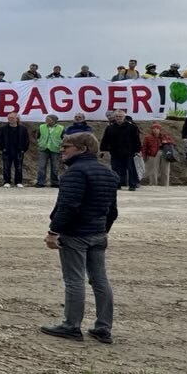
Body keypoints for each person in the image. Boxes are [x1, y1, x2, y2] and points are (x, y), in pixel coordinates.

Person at [40, 131, 119, 344]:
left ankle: (71, 325)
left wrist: (53, 232)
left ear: (82, 149)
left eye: (67, 146)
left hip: (76, 234)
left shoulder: (74, 173)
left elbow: (68, 206)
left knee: (74, 280)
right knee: (100, 280)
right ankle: (103, 327)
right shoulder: (109, 173)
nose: (61, 150)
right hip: (98, 233)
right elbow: (112, 210)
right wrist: (103, 229)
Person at [101, 111, 142, 191]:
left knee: (131, 169)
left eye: (120, 116)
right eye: (117, 117)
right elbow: (105, 139)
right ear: (115, 117)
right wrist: (103, 149)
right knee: (116, 169)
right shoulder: (110, 128)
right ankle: (117, 184)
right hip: (115, 152)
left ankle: (132, 185)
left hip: (129, 152)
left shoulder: (131, 127)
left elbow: (136, 139)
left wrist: (137, 150)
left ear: (124, 117)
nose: (119, 118)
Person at [0, 115, 30, 187]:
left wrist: (24, 149)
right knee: (6, 167)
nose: (10, 119)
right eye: (9, 118)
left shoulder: (23, 129)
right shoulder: (3, 128)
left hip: (19, 151)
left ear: (17, 119)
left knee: (19, 167)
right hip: (7, 151)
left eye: (12, 118)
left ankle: (18, 182)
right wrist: (2, 148)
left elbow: (26, 140)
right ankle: (7, 181)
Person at [141, 122, 176, 187]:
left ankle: (165, 184)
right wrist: (144, 156)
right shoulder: (148, 137)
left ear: (160, 129)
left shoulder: (165, 136)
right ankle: (153, 184)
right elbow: (144, 147)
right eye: (153, 128)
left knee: (165, 170)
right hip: (152, 154)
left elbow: (173, 143)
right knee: (153, 170)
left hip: (165, 153)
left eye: (157, 128)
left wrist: (166, 141)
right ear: (151, 129)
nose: (155, 129)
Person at [34, 115, 64, 187]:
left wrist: (60, 146)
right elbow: (38, 136)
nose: (46, 120)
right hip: (44, 149)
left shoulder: (61, 128)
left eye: (48, 119)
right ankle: (40, 182)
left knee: (55, 167)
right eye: (46, 119)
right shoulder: (41, 127)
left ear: (53, 120)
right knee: (41, 166)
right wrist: (40, 143)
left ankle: (54, 182)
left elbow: (63, 138)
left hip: (55, 149)